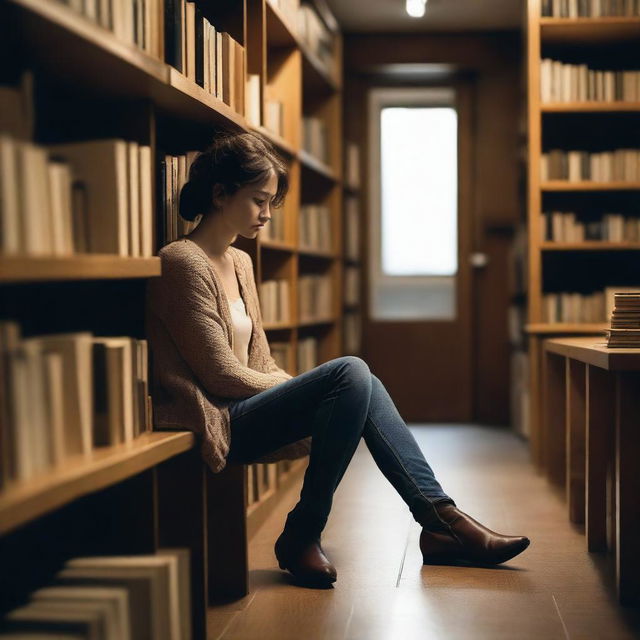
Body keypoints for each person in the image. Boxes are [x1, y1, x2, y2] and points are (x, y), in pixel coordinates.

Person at [145, 130, 530, 589]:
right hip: (212, 418)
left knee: (356, 380)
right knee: (351, 373)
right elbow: (220, 375)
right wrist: (306, 389)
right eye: (258, 200)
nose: (267, 214)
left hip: (244, 410)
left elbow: (261, 361)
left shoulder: (241, 262)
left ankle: (432, 520)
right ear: (220, 193)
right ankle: (431, 524)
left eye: (272, 202)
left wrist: (303, 388)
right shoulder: (181, 261)